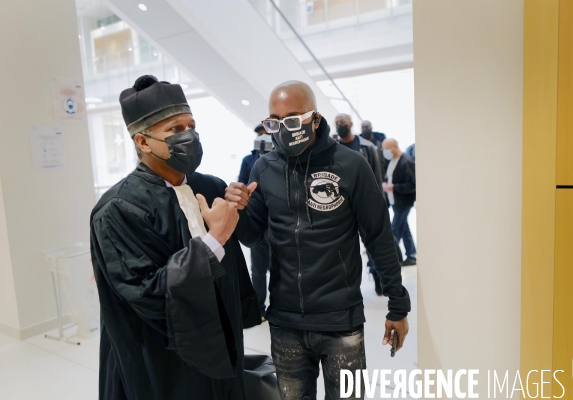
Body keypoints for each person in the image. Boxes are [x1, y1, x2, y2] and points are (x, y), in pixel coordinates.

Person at [226, 80, 411, 399]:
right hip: (285, 322)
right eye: (275, 121)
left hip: (342, 320)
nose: (284, 128)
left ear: (315, 118)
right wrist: (238, 210)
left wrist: (397, 304)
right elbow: (253, 235)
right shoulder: (264, 167)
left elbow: (379, 237)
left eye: (293, 118)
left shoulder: (351, 165)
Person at [90, 75, 261, 400]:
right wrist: (213, 240)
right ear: (143, 142)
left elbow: (248, 242)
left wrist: (240, 209)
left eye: (190, 125)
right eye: (174, 129)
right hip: (163, 358)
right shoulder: (119, 208)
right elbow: (147, 294)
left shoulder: (208, 186)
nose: (189, 136)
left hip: (221, 340)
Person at [335, 113, 385, 295]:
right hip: (341, 207)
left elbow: (377, 177)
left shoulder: (367, 147)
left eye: (343, 122)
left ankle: (379, 280)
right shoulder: (332, 148)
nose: (340, 125)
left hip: (365, 204)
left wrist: (379, 204)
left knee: (373, 245)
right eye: (337, 123)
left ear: (350, 124)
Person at [239, 124, 272, 318]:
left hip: (276, 221)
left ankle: (277, 306)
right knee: (258, 270)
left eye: (267, 135)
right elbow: (243, 182)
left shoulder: (281, 159)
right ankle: (259, 308)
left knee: (278, 269)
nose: (264, 138)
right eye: (261, 135)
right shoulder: (248, 160)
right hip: (257, 221)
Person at [382, 138, 417, 266]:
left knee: (395, 231)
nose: (385, 151)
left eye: (387, 148)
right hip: (396, 201)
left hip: (404, 202)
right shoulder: (392, 161)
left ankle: (392, 260)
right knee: (405, 229)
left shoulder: (406, 161)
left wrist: (393, 187)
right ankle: (412, 255)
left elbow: (412, 185)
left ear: (395, 147)